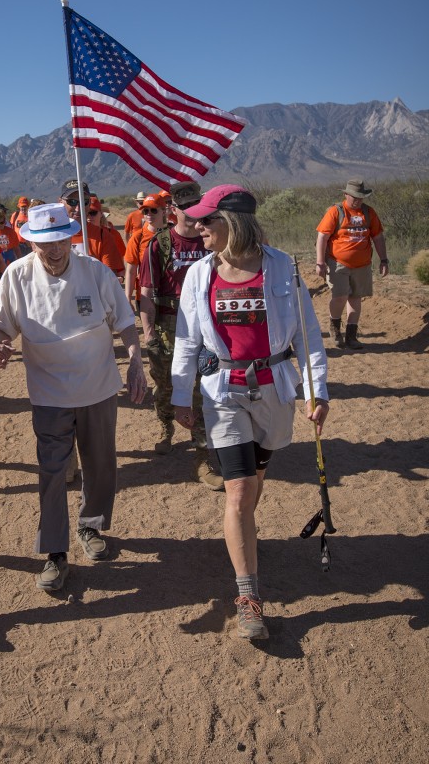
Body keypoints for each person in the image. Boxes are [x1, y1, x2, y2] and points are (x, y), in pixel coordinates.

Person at [171, 184, 329, 640]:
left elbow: (308, 336)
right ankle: (249, 596)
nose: (197, 227)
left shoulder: (283, 268)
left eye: (207, 220)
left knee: (255, 482)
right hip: (223, 391)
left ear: (233, 223)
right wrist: (182, 394)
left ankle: (245, 537)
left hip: (274, 391)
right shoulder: (199, 275)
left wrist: (317, 393)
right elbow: (187, 339)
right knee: (238, 490)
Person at [0, 203, 147, 593]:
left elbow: (125, 320)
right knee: (52, 471)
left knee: (101, 464)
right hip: (48, 393)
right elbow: (0, 328)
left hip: (97, 387)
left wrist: (136, 362)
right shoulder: (16, 276)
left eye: (60, 240)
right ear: (30, 242)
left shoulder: (93, 272)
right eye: (45, 242)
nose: (54, 249)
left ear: (70, 237)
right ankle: (55, 552)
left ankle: (91, 526)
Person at [139, 182, 221, 490]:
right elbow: (146, 293)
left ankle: (203, 458)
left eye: (195, 204)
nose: (190, 211)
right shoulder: (160, 244)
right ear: (173, 209)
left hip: (207, 327)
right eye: (184, 206)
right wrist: (149, 334)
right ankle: (165, 424)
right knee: (166, 383)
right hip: (170, 327)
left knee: (202, 389)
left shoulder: (212, 239)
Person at [315, 178, 388, 350]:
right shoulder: (336, 212)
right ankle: (334, 327)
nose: (357, 200)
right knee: (340, 296)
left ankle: (351, 336)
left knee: (355, 297)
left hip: (362, 264)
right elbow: (322, 237)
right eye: (354, 196)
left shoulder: (369, 213)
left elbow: (378, 237)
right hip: (337, 263)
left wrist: (384, 260)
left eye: (361, 197)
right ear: (346, 194)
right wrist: (320, 262)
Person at [60, 179, 124, 276]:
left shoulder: (103, 236)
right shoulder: (52, 236)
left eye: (84, 202)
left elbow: (109, 279)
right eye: (72, 201)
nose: (78, 208)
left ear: (89, 203)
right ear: (60, 202)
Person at [124, 193, 166, 313]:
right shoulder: (138, 237)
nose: (149, 214)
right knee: (149, 331)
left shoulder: (171, 235)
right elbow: (131, 271)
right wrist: (127, 297)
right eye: (145, 211)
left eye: (153, 210)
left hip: (170, 296)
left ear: (163, 211)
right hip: (145, 296)